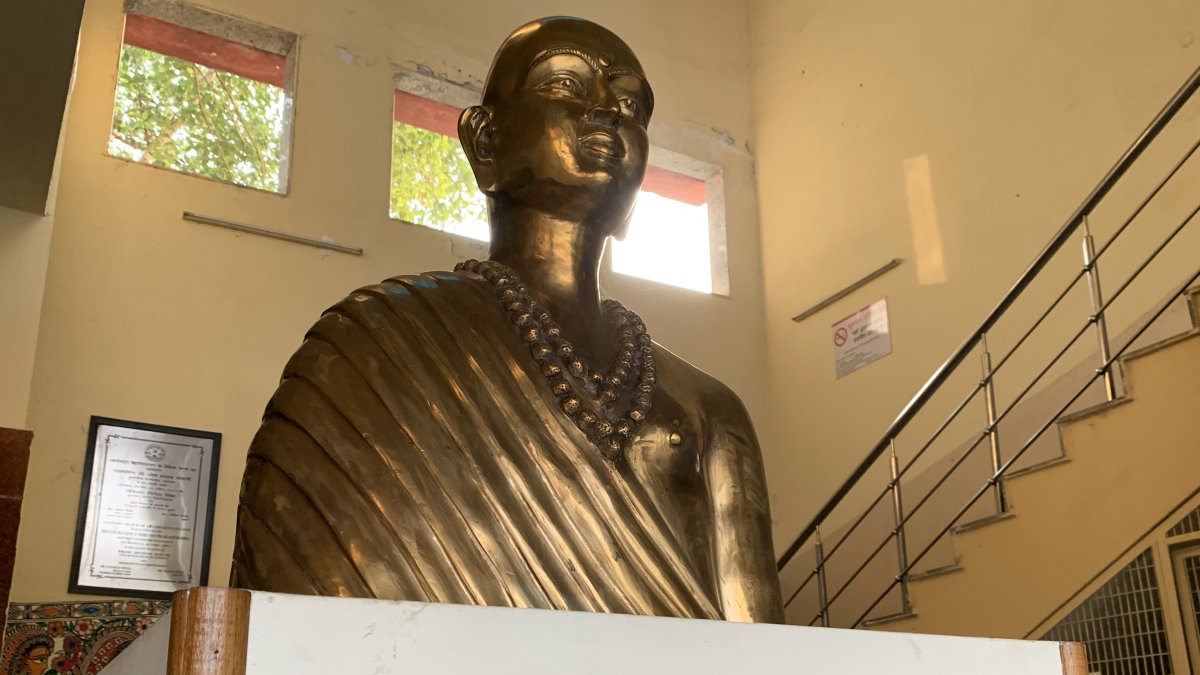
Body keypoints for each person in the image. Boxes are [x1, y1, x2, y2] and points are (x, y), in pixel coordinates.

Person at [232, 16, 783, 623]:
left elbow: (761, 647)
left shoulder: (711, 408)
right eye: (567, 87)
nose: (608, 113)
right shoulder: (368, 349)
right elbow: (301, 619)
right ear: (485, 143)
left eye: (630, 103)